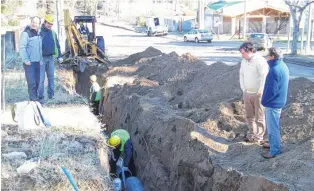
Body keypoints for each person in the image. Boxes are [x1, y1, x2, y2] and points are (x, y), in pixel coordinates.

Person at [261, 47, 289, 159]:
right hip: (279, 100)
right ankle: (273, 144)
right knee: (273, 125)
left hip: (273, 103)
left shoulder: (274, 70)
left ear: (272, 56)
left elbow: (271, 90)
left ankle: (274, 151)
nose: (266, 58)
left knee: (272, 128)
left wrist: (264, 101)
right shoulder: (283, 65)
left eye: (267, 55)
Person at [239, 42, 269, 143]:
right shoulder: (244, 61)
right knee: (249, 116)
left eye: (243, 53)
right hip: (247, 93)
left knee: (259, 116)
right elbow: (241, 75)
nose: (242, 55)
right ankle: (252, 134)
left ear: (250, 51)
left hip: (258, 94)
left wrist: (260, 90)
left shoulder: (260, 61)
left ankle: (259, 137)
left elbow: (263, 77)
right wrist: (244, 89)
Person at [38, 15, 63, 101]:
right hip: (41, 59)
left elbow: (57, 45)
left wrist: (60, 56)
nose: (50, 25)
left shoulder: (53, 33)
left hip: (51, 58)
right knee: (41, 79)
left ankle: (51, 95)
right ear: (44, 22)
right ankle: (40, 97)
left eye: (51, 24)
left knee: (51, 78)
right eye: (48, 23)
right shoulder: (39, 32)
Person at [19, 16, 44, 102]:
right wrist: (26, 60)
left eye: (36, 23)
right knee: (32, 82)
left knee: (37, 82)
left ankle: (35, 98)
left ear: (39, 24)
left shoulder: (39, 33)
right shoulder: (26, 33)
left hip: (37, 62)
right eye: (33, 22)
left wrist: (41, 59)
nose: (35, 24)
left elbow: (40, 48)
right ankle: (34, 100)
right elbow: (22, 47)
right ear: (31, 22)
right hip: (29, 63)